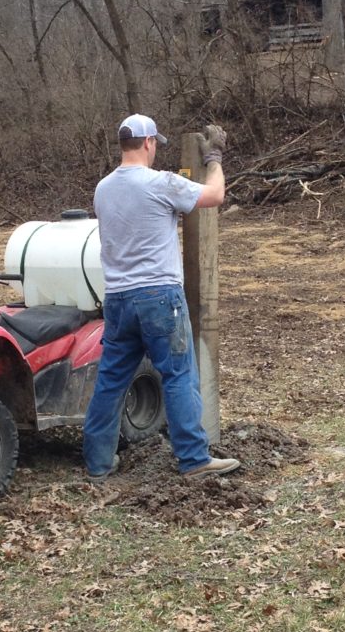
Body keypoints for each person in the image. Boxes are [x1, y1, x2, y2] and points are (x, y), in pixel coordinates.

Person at [82, 113, 240, 481]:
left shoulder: (102, 189)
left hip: (118, 299)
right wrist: (215, 157)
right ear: (150, 143)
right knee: (178, 375)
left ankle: (98, 462)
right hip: (159, 297)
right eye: (156, 145)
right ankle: (194, 459)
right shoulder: (161, 183)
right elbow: (215, 195)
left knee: (111, 380)